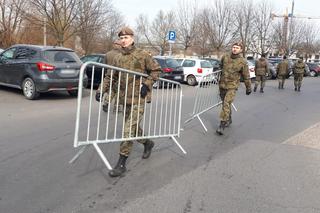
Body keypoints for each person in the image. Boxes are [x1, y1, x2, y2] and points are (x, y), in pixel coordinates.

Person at [96, 27, 161, 177]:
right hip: (124, 98)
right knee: (133, 129)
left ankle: (121, 163)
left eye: (126, 37)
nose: (123, 40)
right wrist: (102, 91)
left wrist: (147, 84)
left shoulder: (143, 55)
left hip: (139, 98)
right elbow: (111, 77)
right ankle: (148, 143)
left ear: (132, 38)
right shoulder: (118, 58)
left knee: (127, 130)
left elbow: (157, 70)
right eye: (121, 38)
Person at [216, 42, 252, 135]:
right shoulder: (225, 57)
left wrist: (248, 87)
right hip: (222, 85)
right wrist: (216, 73)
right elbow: (219, 67)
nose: (234, 49)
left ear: (240, 50)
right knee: (225, 104)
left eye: (237, 48)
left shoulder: (243, 61)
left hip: (232, 86)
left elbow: (246, 75)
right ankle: (229, 119)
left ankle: (222, 124)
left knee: (227, 103)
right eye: (234, 47)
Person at [97, 40, 122, 112]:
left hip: (109, 75)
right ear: (119, 45)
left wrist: (106, 74)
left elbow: (104, 65)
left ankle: (106, 102)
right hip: (118, 75)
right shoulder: (121, 55)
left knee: (111, 90)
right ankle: (116, 107)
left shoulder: (107, 54)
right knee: (118, 91)